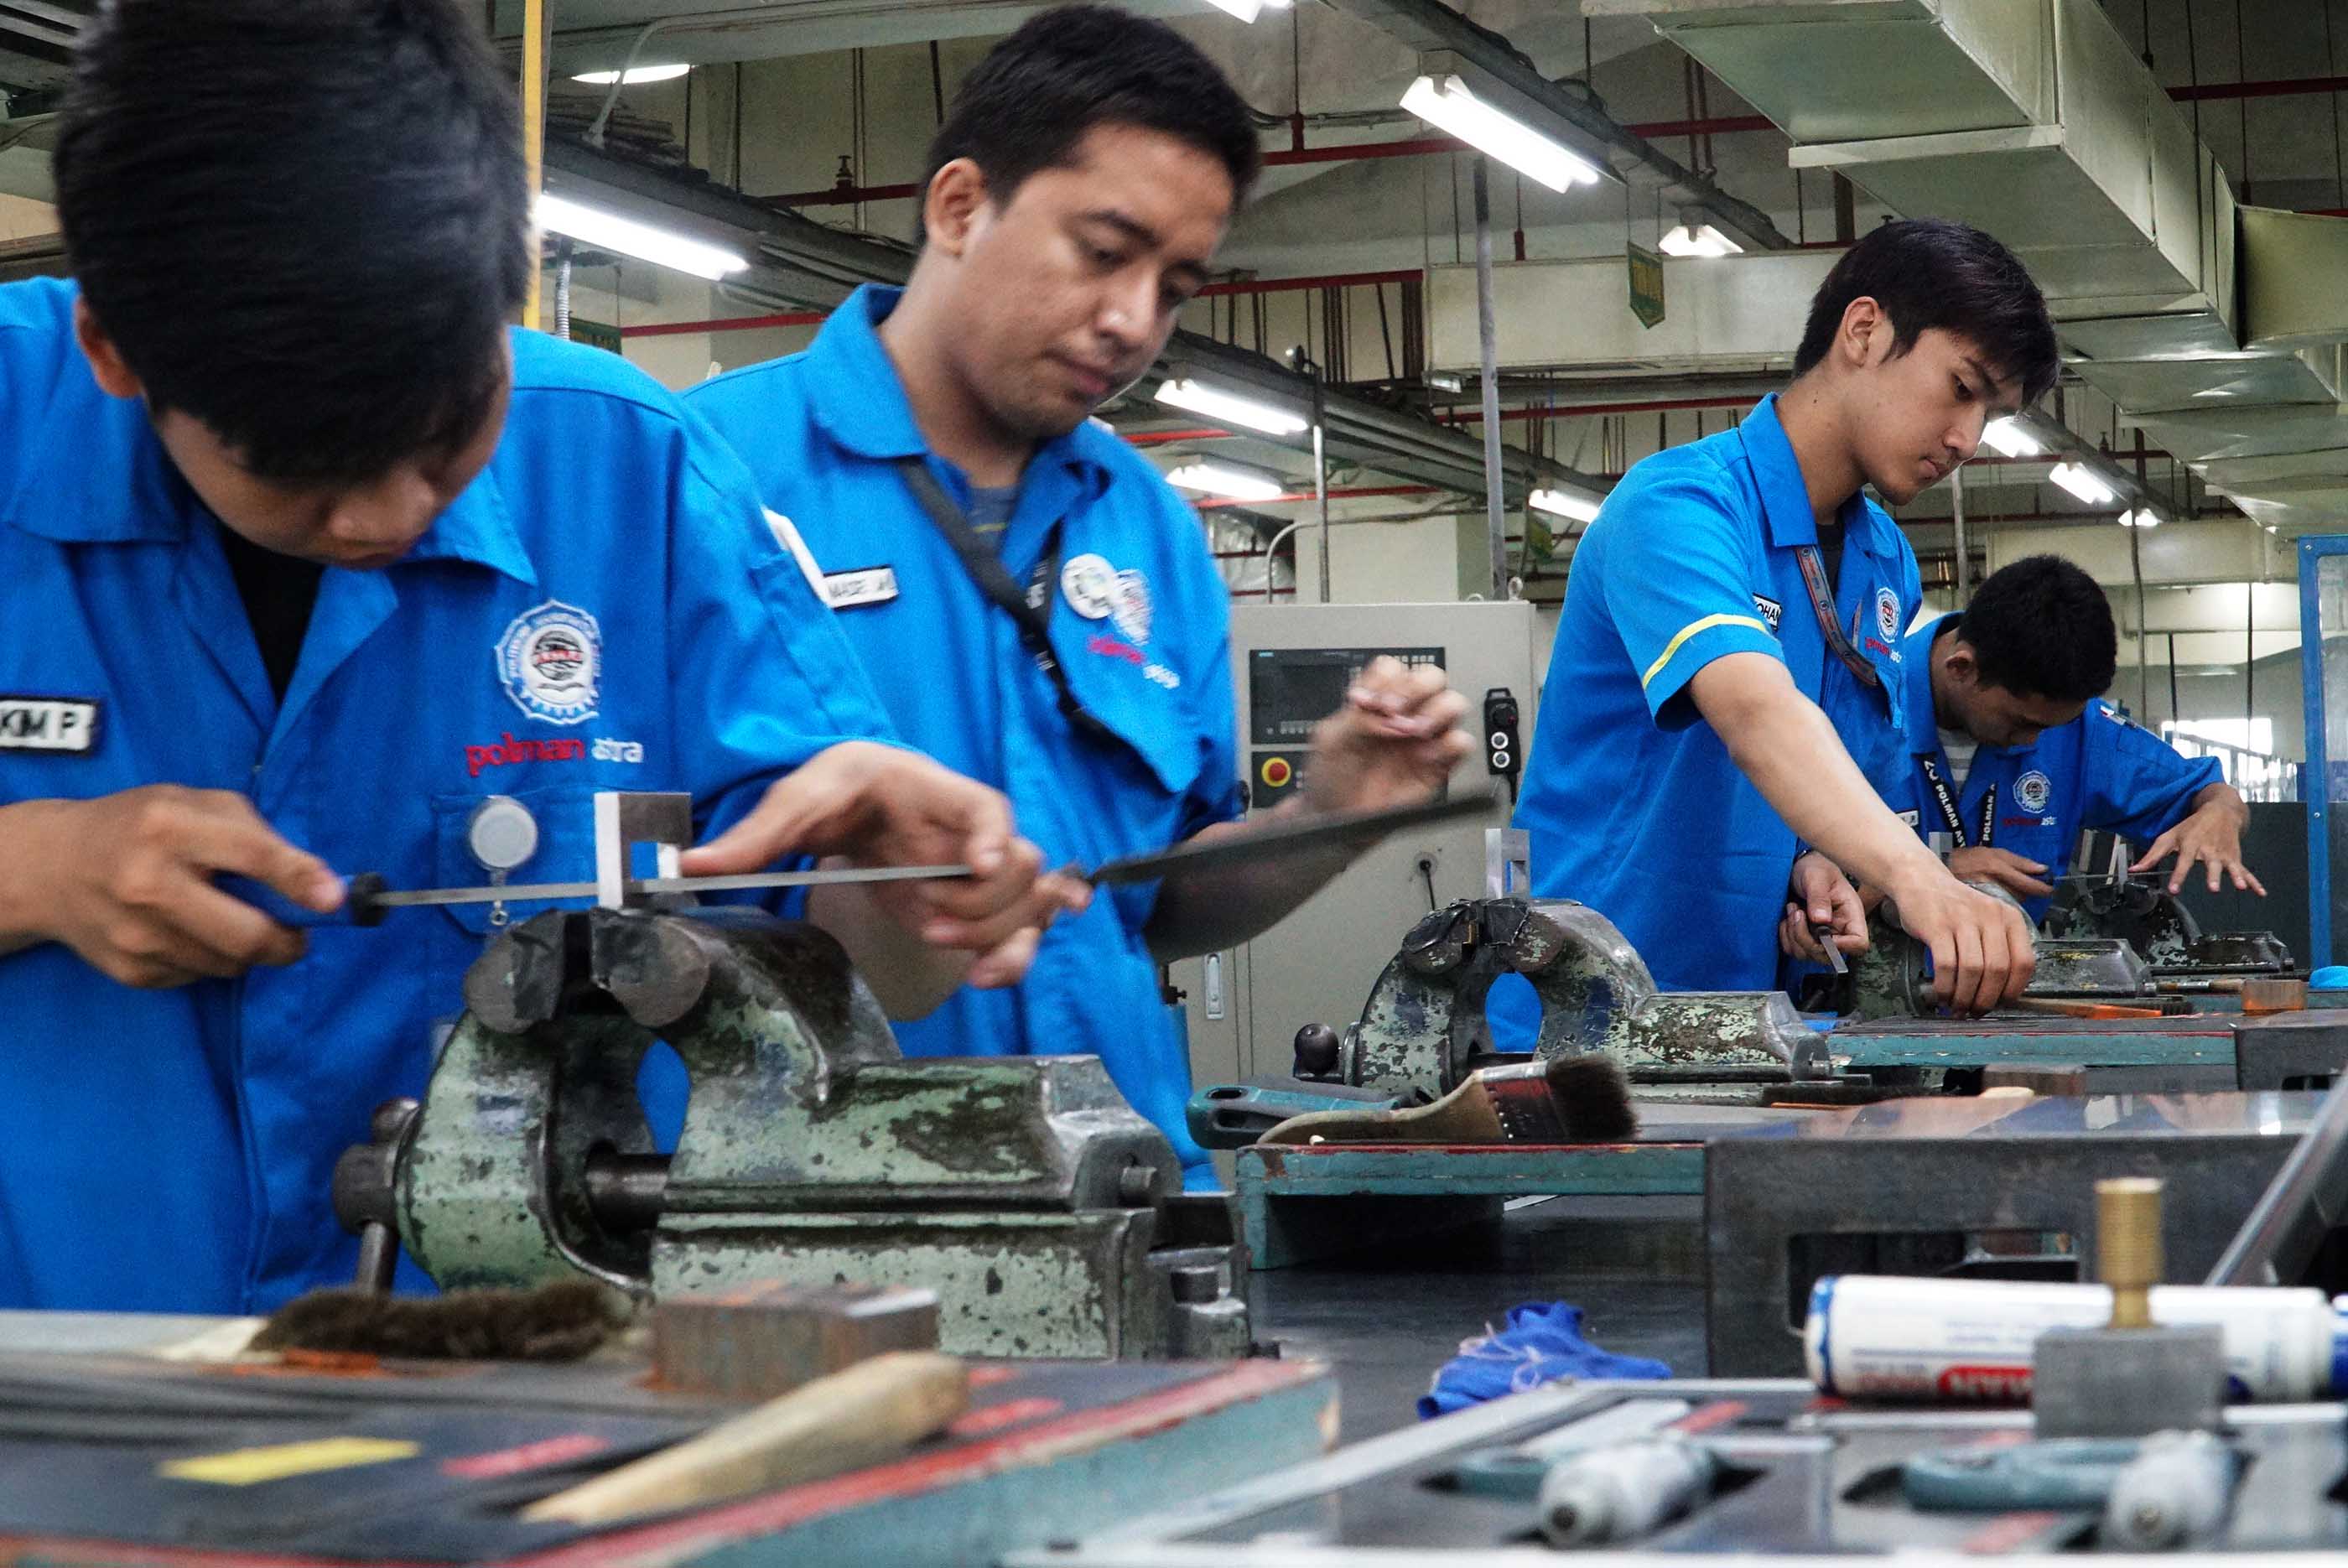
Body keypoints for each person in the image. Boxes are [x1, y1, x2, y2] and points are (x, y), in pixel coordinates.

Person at [0, 0, 1071, 1313]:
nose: (389, 518)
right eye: (302, 473)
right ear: (114, 350)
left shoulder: (635, 473)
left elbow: (866, 964)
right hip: (55, 1387)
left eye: (448, 435)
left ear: (513, 279)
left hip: (534, 1382)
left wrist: (918, 892)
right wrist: (33, 870)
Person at [686, 5, 1468, 1184]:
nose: (1133, 322)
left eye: (1175, 286)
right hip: (814, 1207)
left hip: (1121, 1193)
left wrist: (1328, 815)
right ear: (961, 207)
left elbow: (1158, 906)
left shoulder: (1144, 523)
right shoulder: (713, 476)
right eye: (1104, 253)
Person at [1509, 219, 2061, 1016]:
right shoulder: (1679, 508)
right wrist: (1921, 876)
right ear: (1864, 332)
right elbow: (1756, 713)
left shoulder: (1884, 561)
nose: (1967, 439)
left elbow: (1825, 775)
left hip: (1755, 1022)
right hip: (1588, 1019)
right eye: (1962, 389)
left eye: (1991, 416)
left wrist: (1819, 867)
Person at [1816, 553, 2259, 932]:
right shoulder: (1850, 706)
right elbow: (1798, 888)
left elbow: (2207, 794)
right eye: (2021, 722)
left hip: (2015, 994)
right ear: (1961, 668)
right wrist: (1931, 870)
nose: (2032, 742)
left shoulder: (2079, 731)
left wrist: (2222, 811)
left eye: (2051, 727)